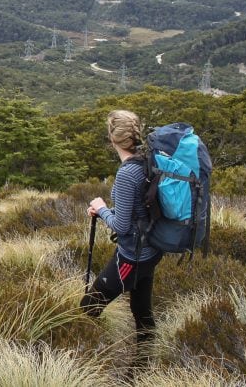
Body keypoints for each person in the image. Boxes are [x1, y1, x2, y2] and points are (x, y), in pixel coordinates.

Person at [80, 109, 162, 350]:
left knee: (88, 307)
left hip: (131, 256)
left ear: (112, 138)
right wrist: (106, 211)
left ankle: (84, 354)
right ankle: (143, 364)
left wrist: (101, 207)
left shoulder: (127, 173)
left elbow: (121, 226)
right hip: (150, 250)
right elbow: (139, 211)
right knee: (141, 311)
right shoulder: (147, 161)